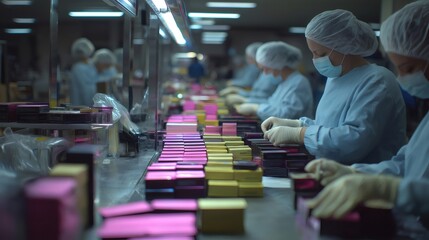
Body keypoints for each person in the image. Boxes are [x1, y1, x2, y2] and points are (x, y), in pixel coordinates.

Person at [305, 0, 429, 220]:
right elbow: (407, 163)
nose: (403, 78)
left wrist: (386, 189)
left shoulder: (377, 79)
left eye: (410, 68)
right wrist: (358, 174)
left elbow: (355, 139)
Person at [262, 9, 406, 165]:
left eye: (320, 53)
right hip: (332, 172)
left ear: (344, 47)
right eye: (313, 53)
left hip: (365, 179)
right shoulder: (335, 78)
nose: (315, 59)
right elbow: (328, 126)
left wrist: (300, 134)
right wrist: (297, 124)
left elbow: (353, 140)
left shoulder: (377, 80)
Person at [235, 41, 314, 121]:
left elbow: (287, 114)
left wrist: (257, 108)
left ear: (278, 64)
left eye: (267, 68)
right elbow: (271, 103)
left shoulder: (299, 83)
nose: (265, 73)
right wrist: (249, 102)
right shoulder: (285, 82)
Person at [70, 38, 96, 106]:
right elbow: (84, 89)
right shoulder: (78, 68)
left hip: (90, 102)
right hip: (80, 103)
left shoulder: (92, 64)